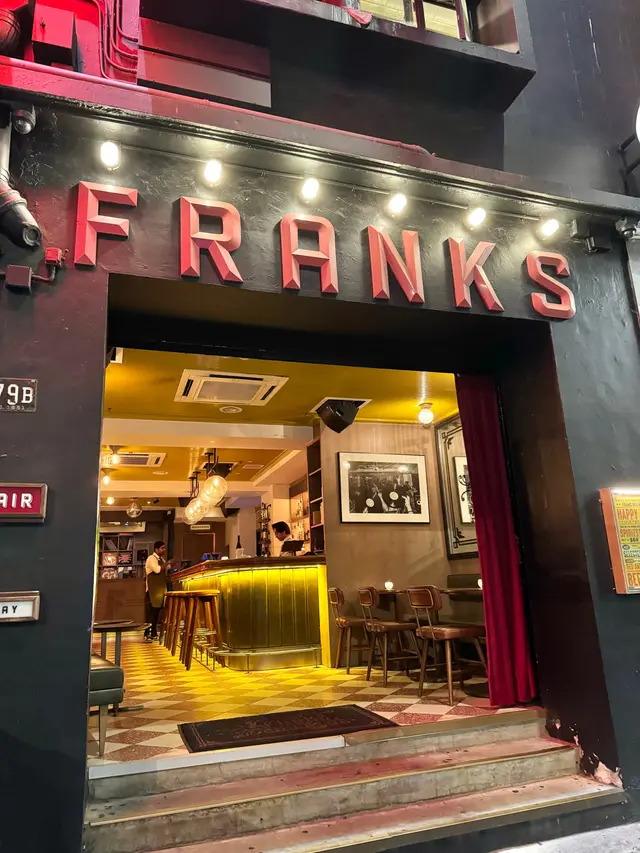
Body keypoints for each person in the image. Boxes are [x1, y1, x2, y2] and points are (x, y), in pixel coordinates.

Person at [144, 541, 168, 641]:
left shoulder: (161, 559)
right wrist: (167, 563)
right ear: (156, 549)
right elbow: (157, 570)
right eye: (162, 548)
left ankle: (153, 633)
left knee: (156, 612)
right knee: (151, 613)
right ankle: (148, 633)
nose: (164, 550)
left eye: (164, 548)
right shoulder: (151, 558)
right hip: (152, 591)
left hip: (159, 590)